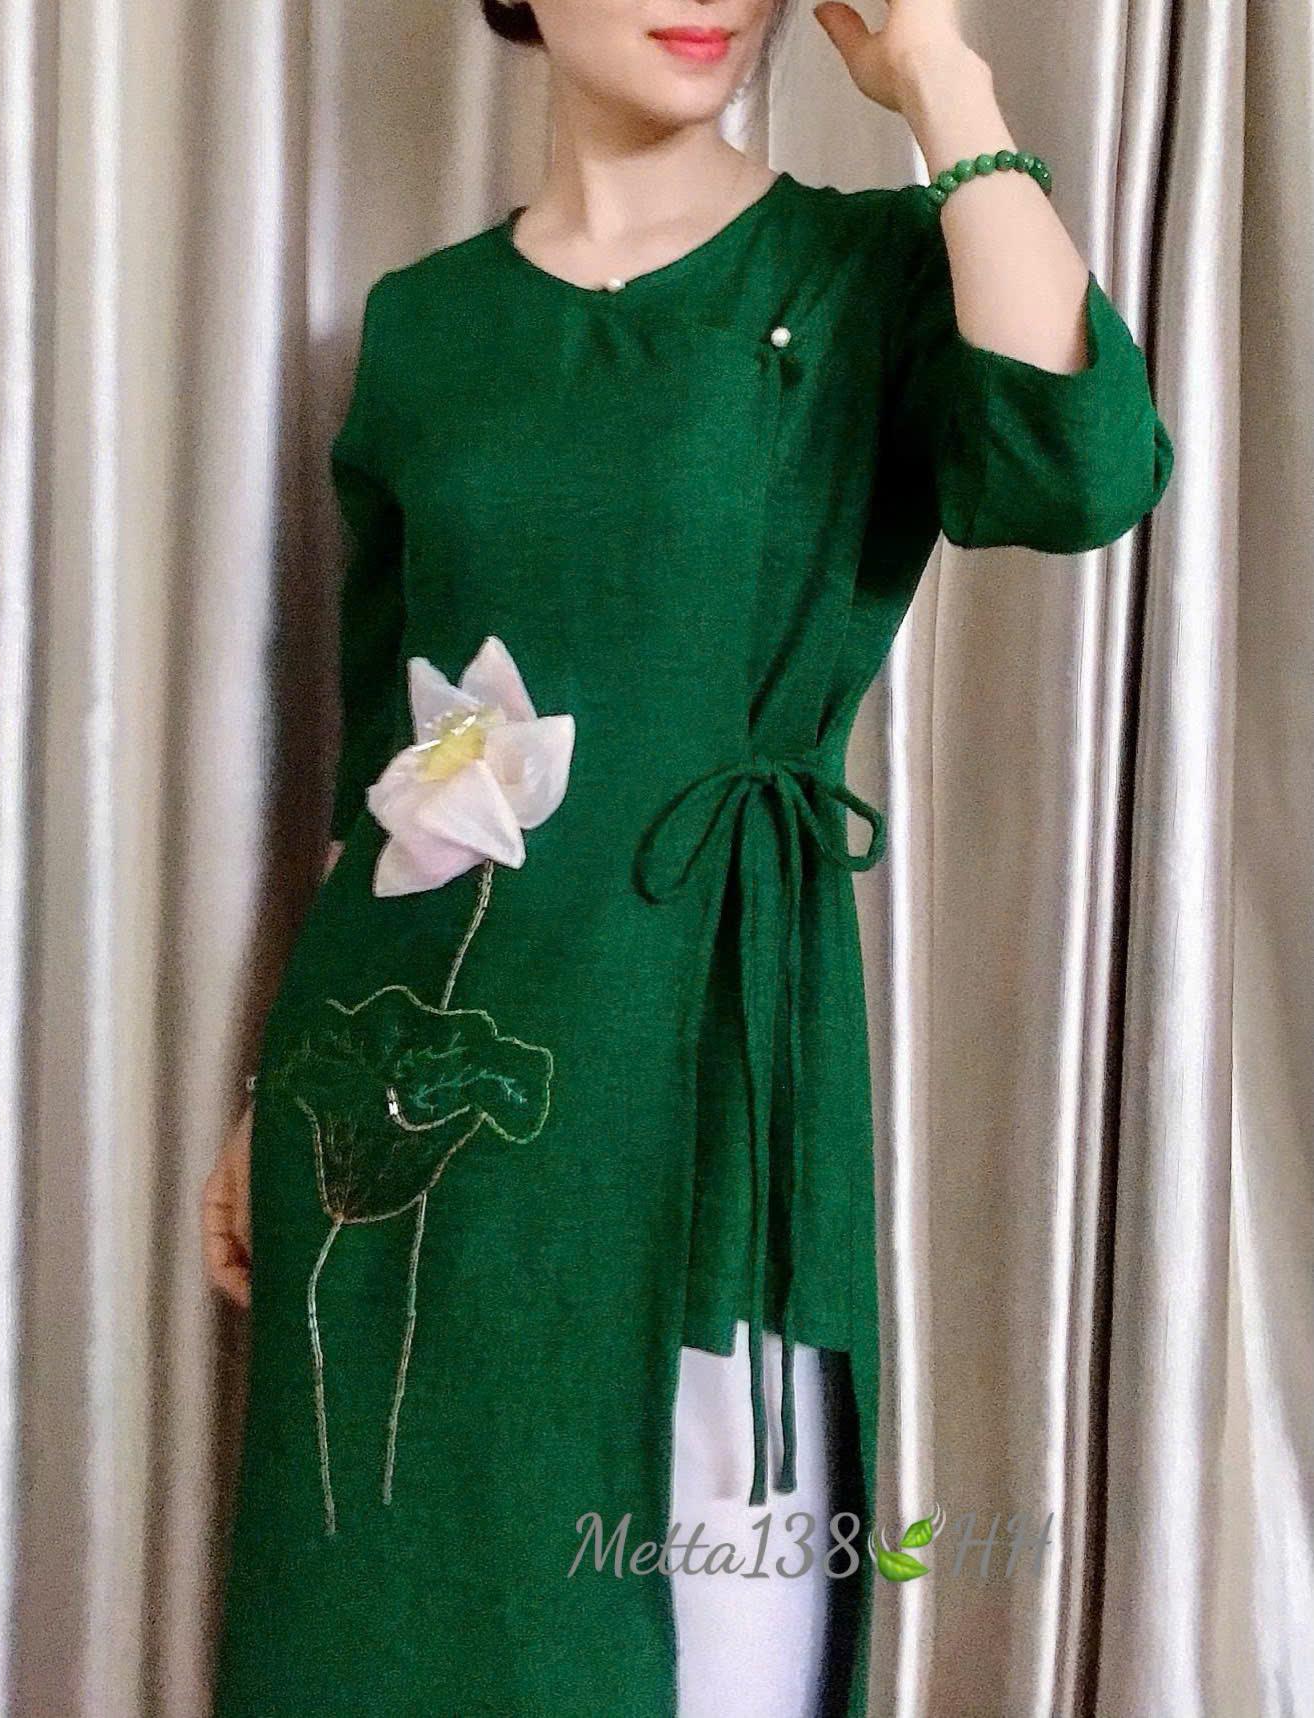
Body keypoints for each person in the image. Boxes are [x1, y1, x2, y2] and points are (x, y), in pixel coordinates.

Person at [202, 1, 1174, 1713]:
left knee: (701, 1626)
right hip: (418, 1095)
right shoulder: (424, 325)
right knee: (380, 1620)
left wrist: (939, 80)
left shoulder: (867, 265)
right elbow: (385, 770)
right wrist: (279, 1085)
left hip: (712, 1048)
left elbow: (1077, 468)